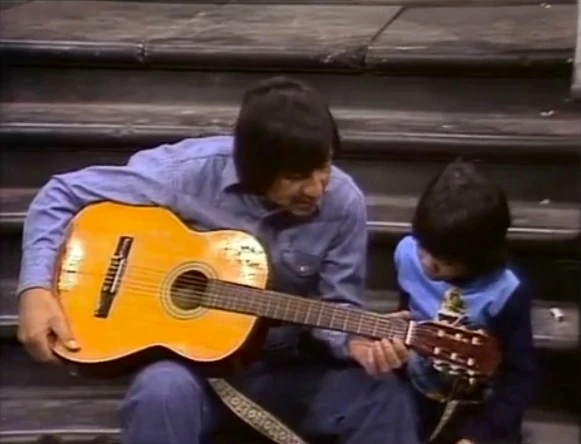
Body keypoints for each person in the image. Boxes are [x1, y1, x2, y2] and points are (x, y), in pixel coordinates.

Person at [16, 76, 420, 444]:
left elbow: (338, 305)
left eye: (324, 167)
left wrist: (354, 340)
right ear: (255, 169)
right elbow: (61, 194)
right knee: (160, 392)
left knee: (383, 395)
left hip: (285, 367)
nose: (317, 189)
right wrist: (36, 289)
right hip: (193, 372)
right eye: (297, 177)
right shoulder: (186, 173)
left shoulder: (343, 203)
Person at [393, 160, 538, 444]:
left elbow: (519, 378)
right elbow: (407, 315)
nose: (427, 264)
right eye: (423, 249)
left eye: (444, 262)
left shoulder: (506, 290)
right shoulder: (407, 254)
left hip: (479, 409)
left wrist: (478, 436)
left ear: (478, 258)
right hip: (417, 396)